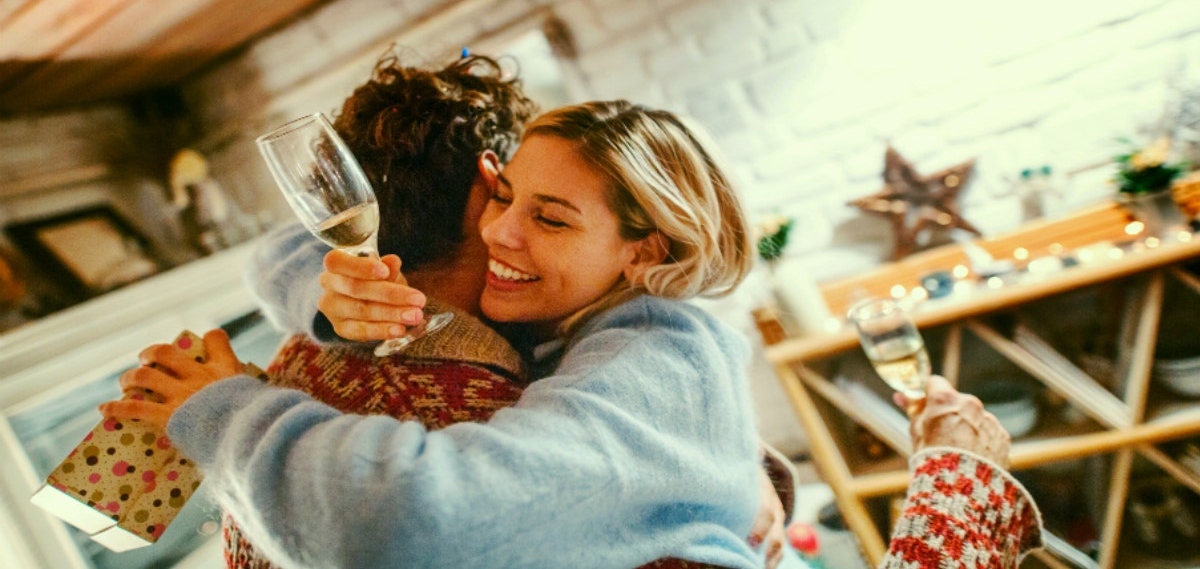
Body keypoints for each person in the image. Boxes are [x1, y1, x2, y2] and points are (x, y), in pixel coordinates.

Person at [105, 86, 789, 567]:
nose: (500, 230)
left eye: (549, 218)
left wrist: (223, 415)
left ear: (647, 251)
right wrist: (329, 294)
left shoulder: (655, 350)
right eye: (505, 195)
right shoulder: (557, 319)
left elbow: (406, 525)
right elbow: (278, 244)